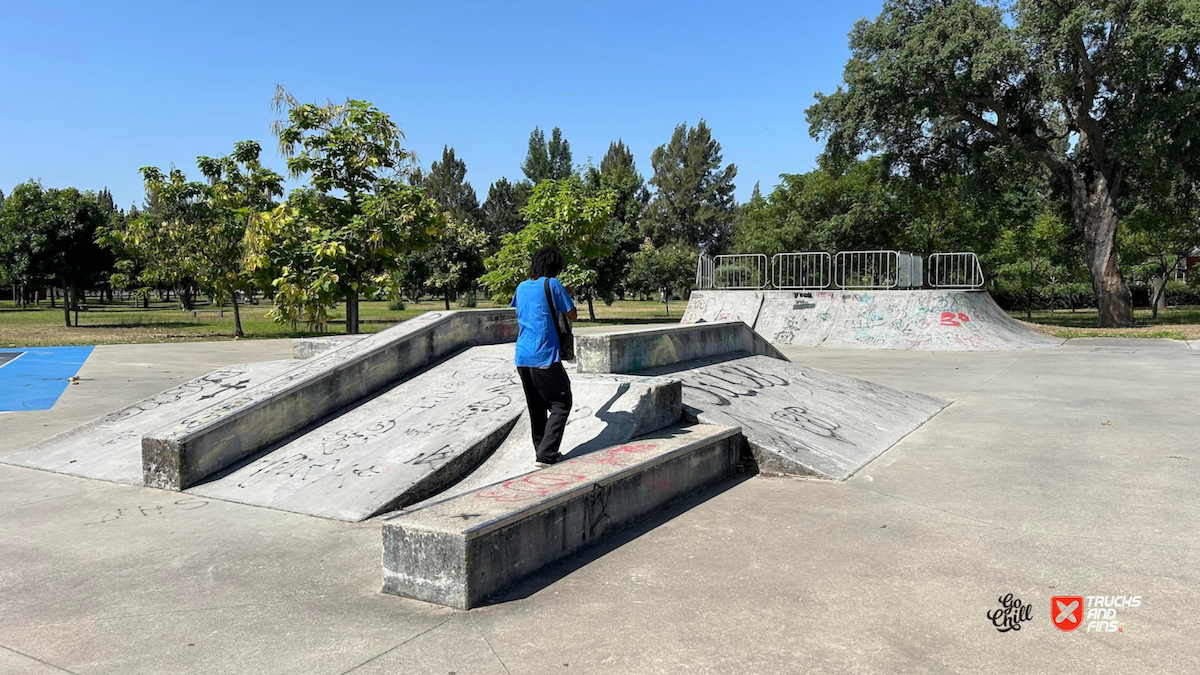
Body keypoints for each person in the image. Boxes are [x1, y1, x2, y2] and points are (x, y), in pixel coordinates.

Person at [510, 246, 578, 466]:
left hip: (522, 356)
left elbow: (528, 308)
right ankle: (546, 454)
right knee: (562, 402)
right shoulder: (554, 284)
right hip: (544, 356)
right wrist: (565, 295)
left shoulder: (521, 287)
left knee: (536, 407)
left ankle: (541, 451)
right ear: (554, 266)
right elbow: (572, 315)